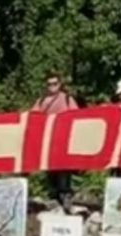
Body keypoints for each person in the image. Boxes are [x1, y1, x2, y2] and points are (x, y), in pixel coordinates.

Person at [32, 72, 78, 213]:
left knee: (64, 170)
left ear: (60, 84)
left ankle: (65, 197)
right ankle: (54, 198)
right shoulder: (41, 101)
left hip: (64, 141)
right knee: (50, 170)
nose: (52, 86)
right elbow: (33, 118)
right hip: (48, 143)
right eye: (49, 84)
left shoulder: (67, 99)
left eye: (55, 84)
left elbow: (77, 116)